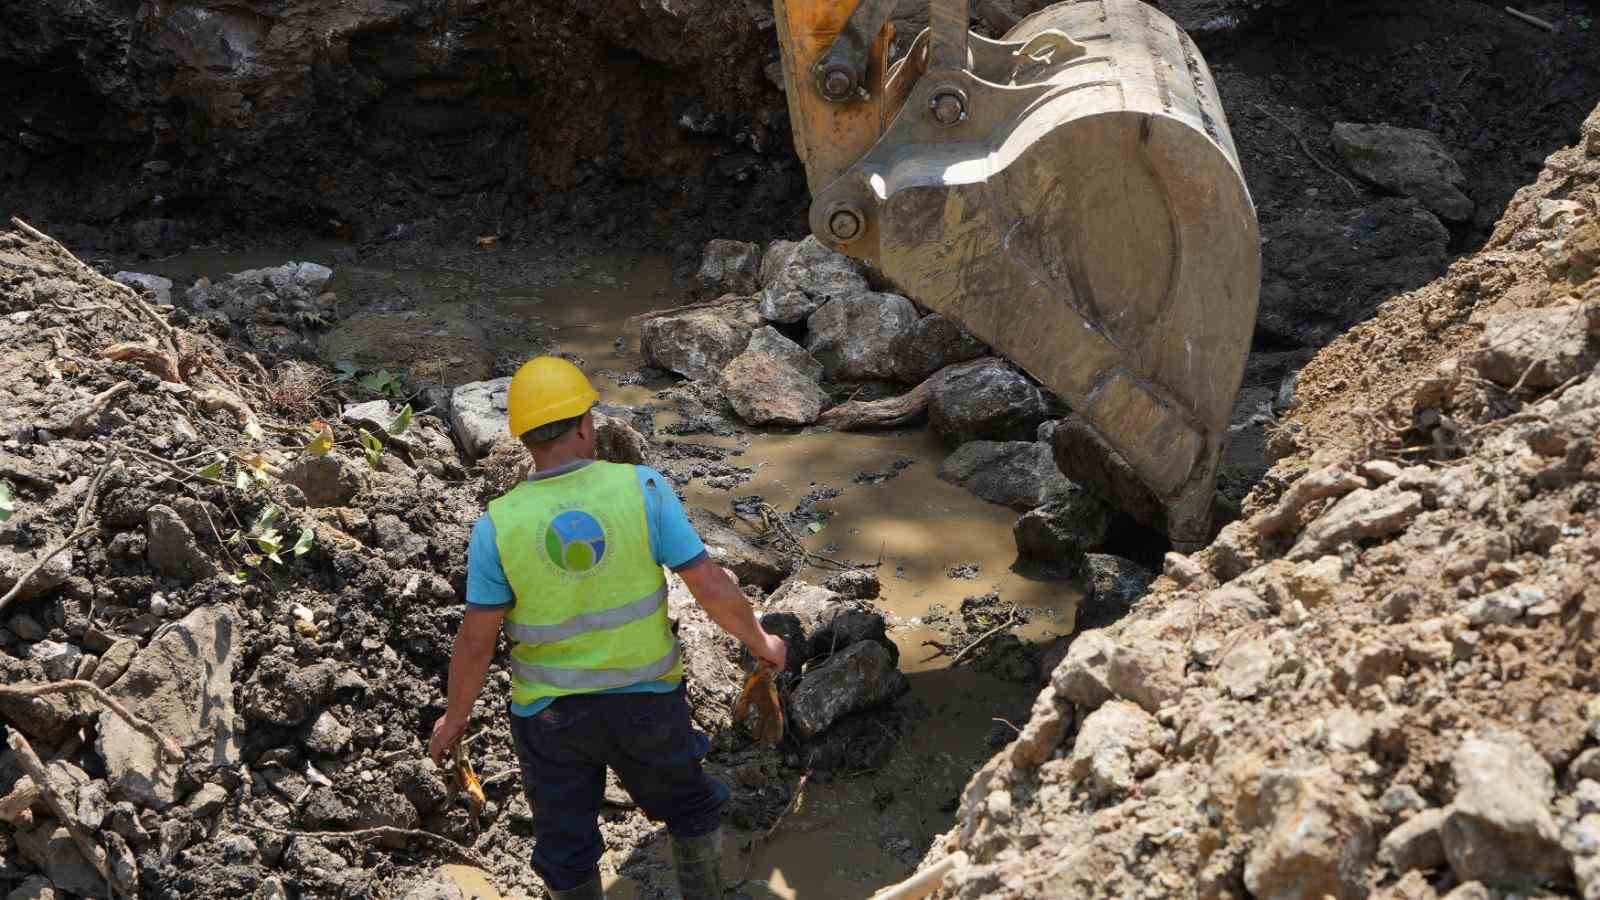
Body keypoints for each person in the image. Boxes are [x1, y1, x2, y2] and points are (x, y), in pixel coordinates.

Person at [428, 356, 788, 900]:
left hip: (550, 719)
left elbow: (476, 642)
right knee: (690, 809)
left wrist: (456, 716)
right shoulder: (642, 489)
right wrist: (762, 642)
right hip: (646, 704)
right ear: (582, 425)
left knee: (566, 844)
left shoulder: (496, 525)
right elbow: (709, 585)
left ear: (524, 438)